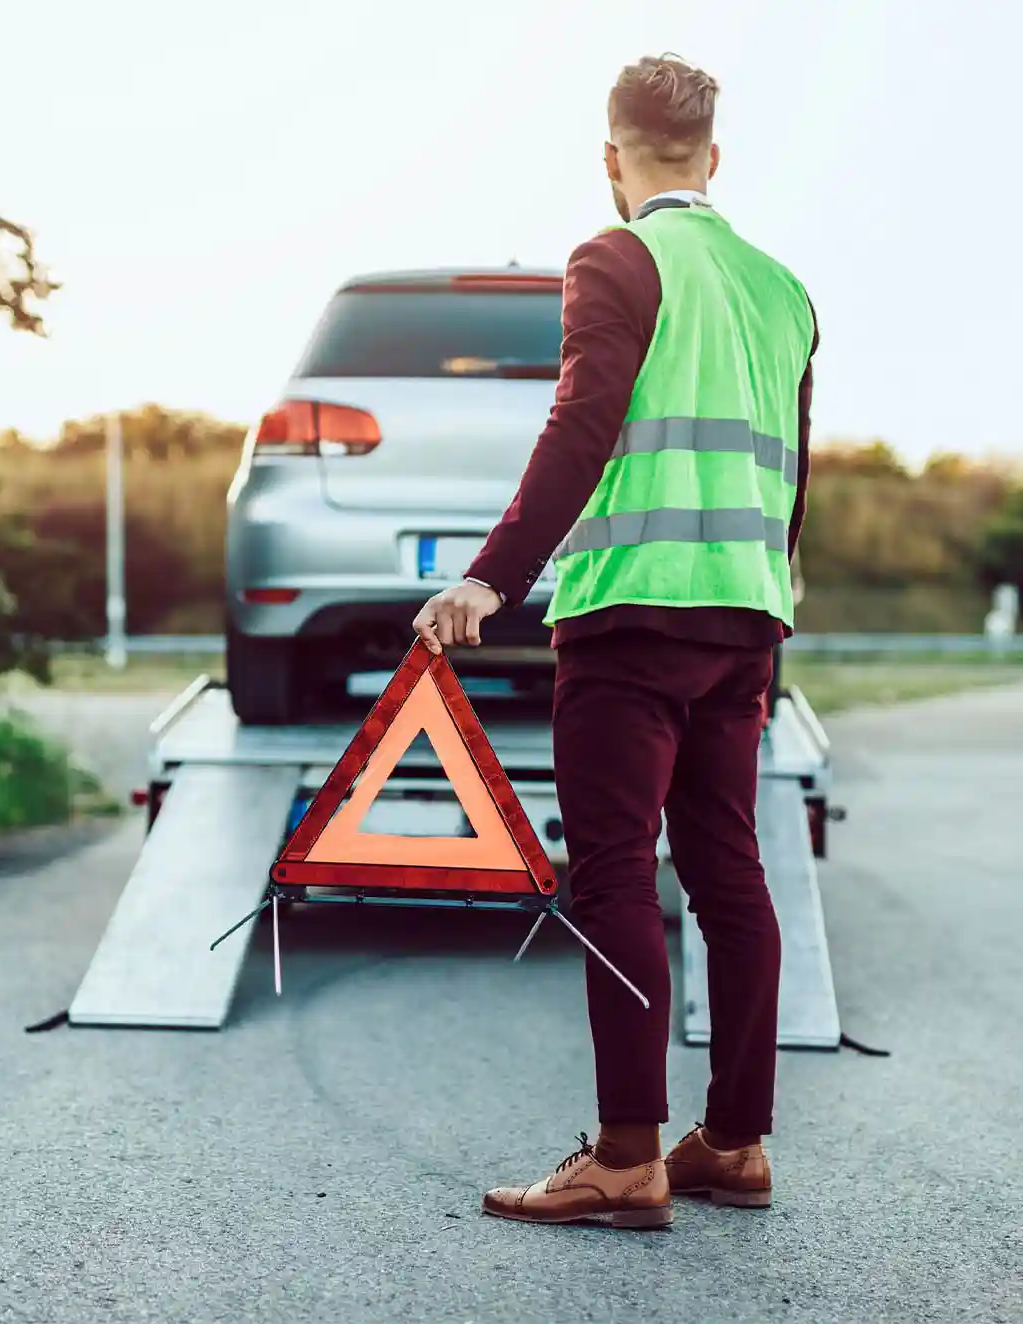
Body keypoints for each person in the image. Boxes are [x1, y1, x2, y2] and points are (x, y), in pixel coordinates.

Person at [412, 52, 818, 1229]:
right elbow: (793, 471)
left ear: (612, 157)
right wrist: (767, 596)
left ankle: (629, 1154)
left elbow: (582, 423)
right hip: (746, 610)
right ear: (714, 158)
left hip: (631, 612)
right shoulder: (783, 287)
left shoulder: (615, 256)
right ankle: (735, 1140)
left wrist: (493, 577)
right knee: (730, 870)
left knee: (615, 869)